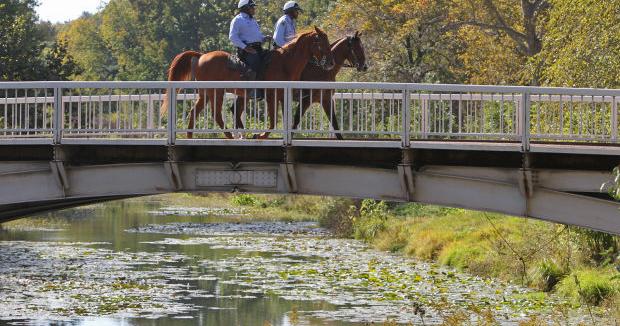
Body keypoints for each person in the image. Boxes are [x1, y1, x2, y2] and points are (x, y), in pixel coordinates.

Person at [229, 0, 271, 80]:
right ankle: (253, 90)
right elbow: (232, 37)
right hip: (246, 51)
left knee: (270, 58)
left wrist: (264, 38)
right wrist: (245, 47)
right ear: (246, 8)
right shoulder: (237, 20)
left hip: (258, 48)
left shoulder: (253, 20)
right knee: (256, 63)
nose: (254, 9)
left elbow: (256, 36)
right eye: (252, 7)